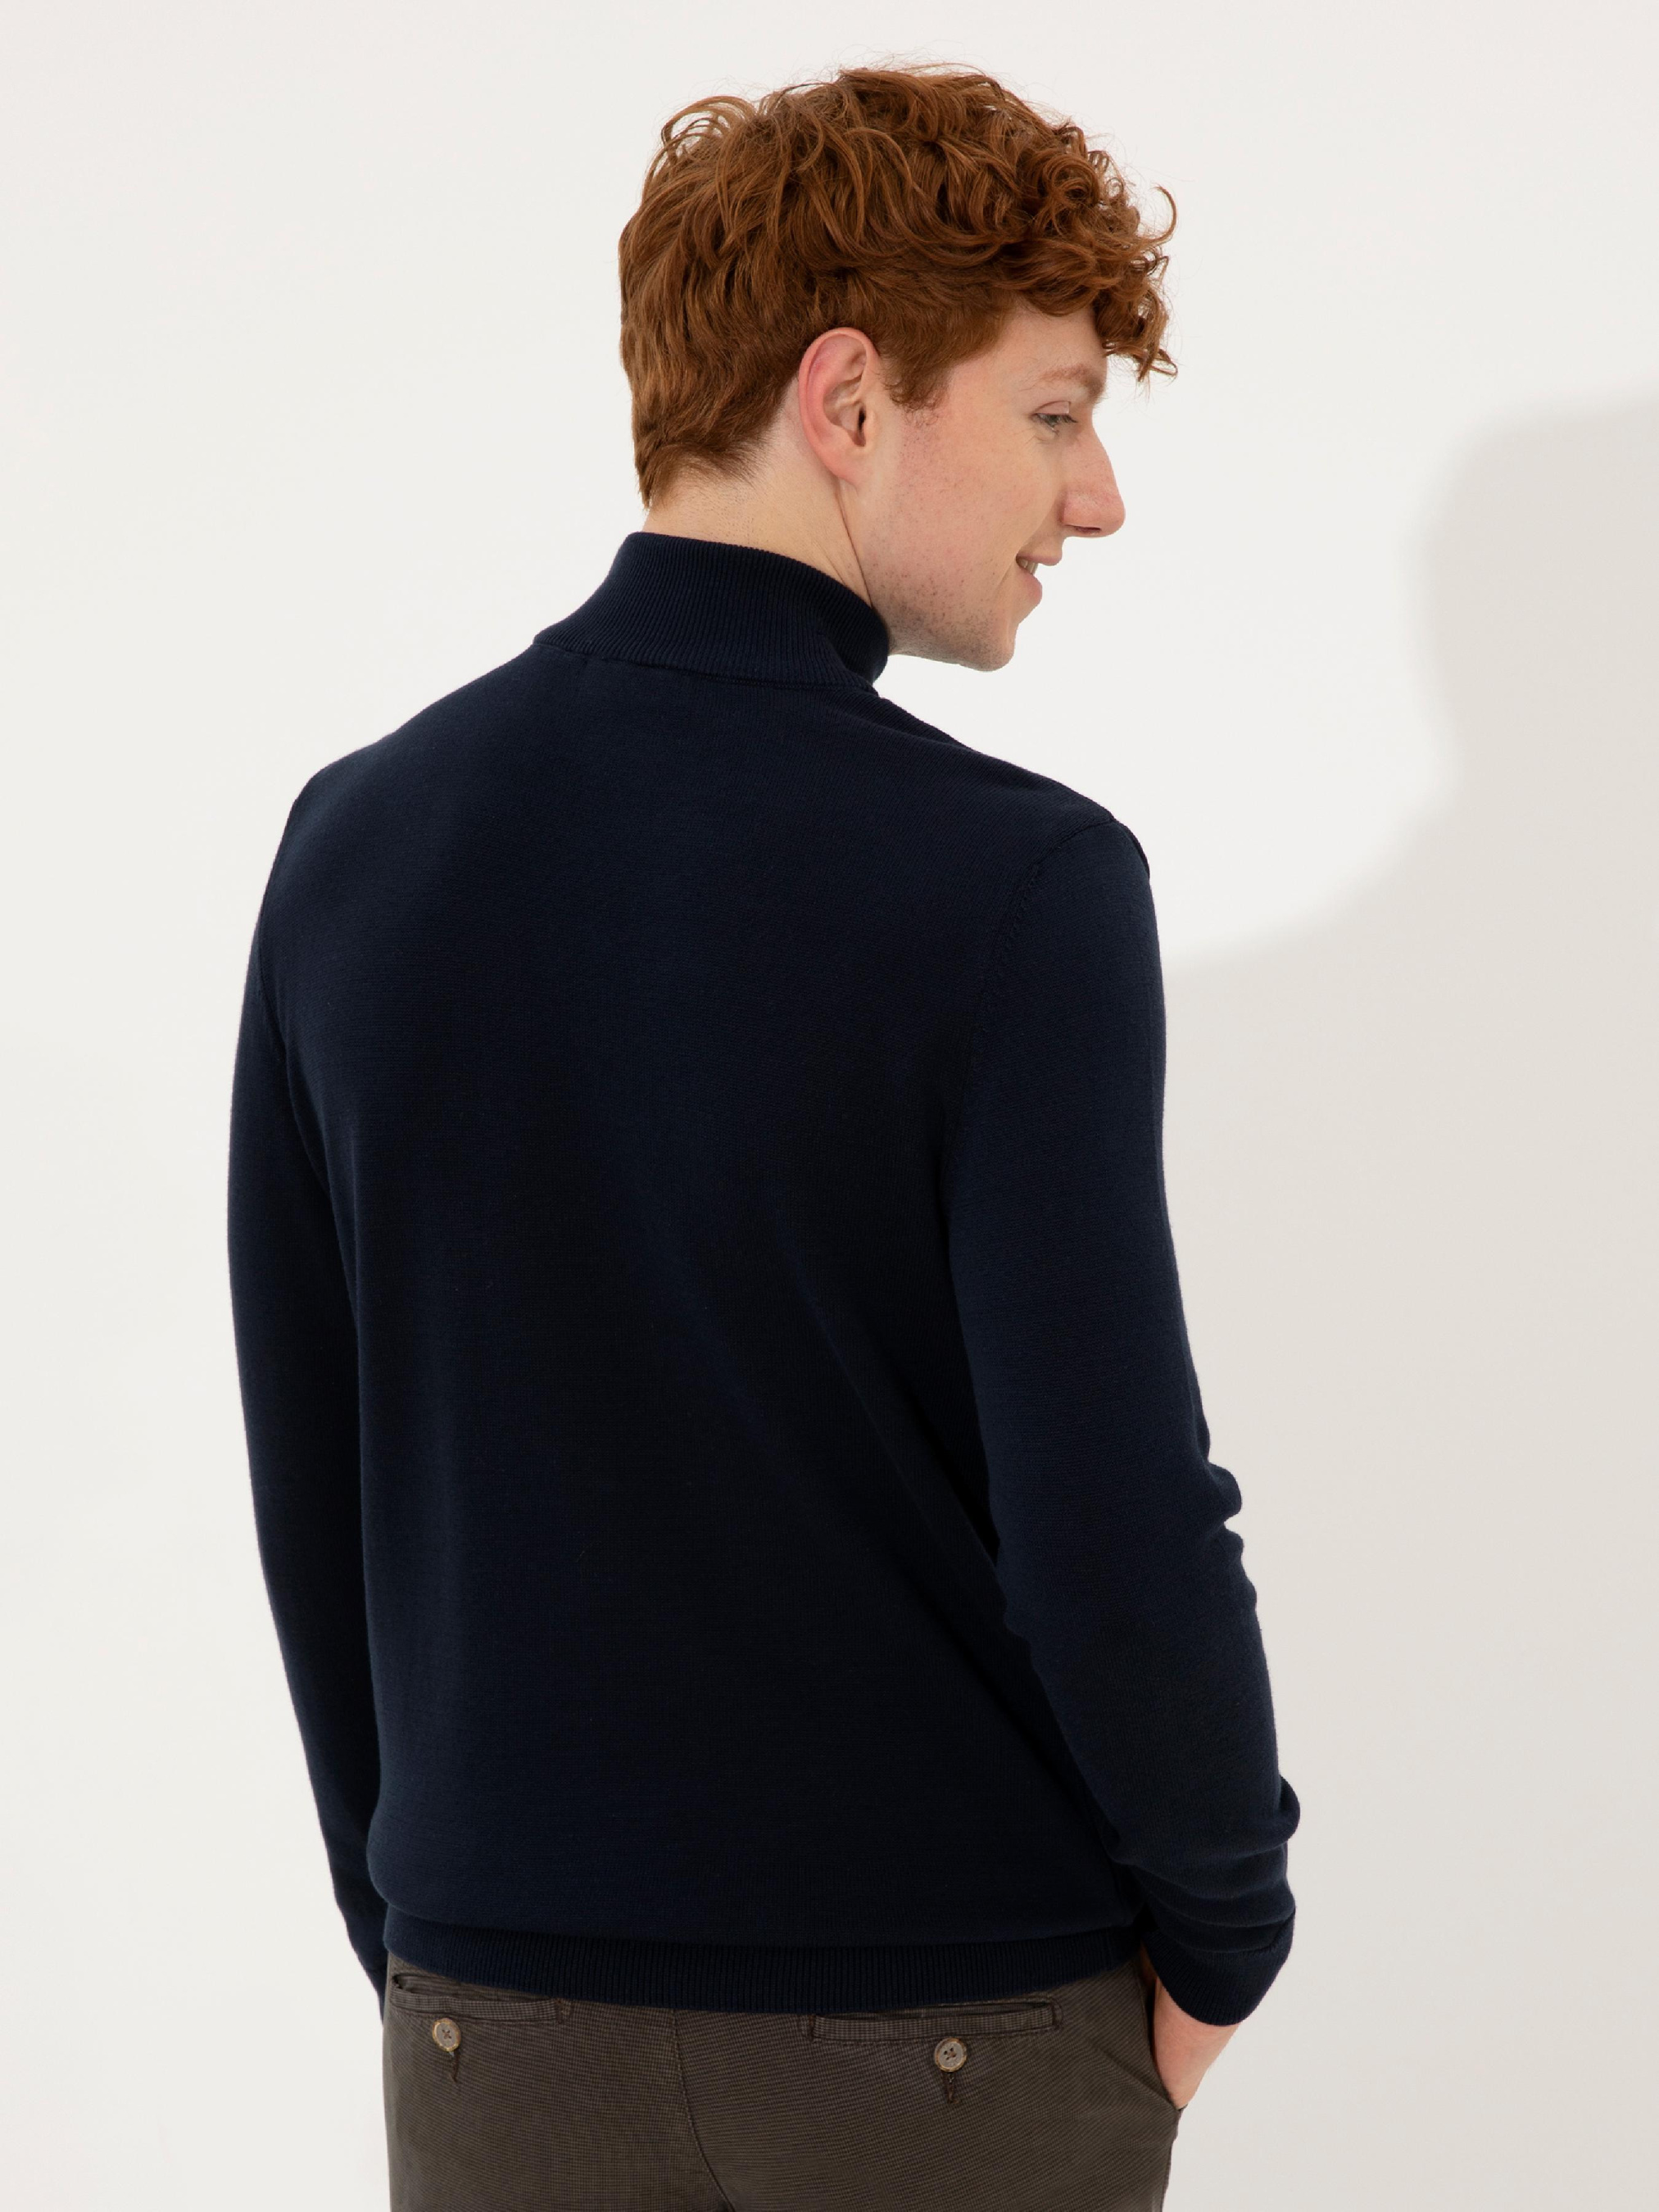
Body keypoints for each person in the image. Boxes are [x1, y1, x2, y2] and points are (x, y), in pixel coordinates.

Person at [227, 61, 1299, 2211]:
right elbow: (1106, 1514)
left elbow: (314, 1480)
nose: (1091, 500)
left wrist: (425, 1924)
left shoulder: (356, 845)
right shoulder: (1017, 882)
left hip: (494, 2022)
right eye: (1054, 413)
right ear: (849, 399)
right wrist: (1223, 1928)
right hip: (951, 2032)